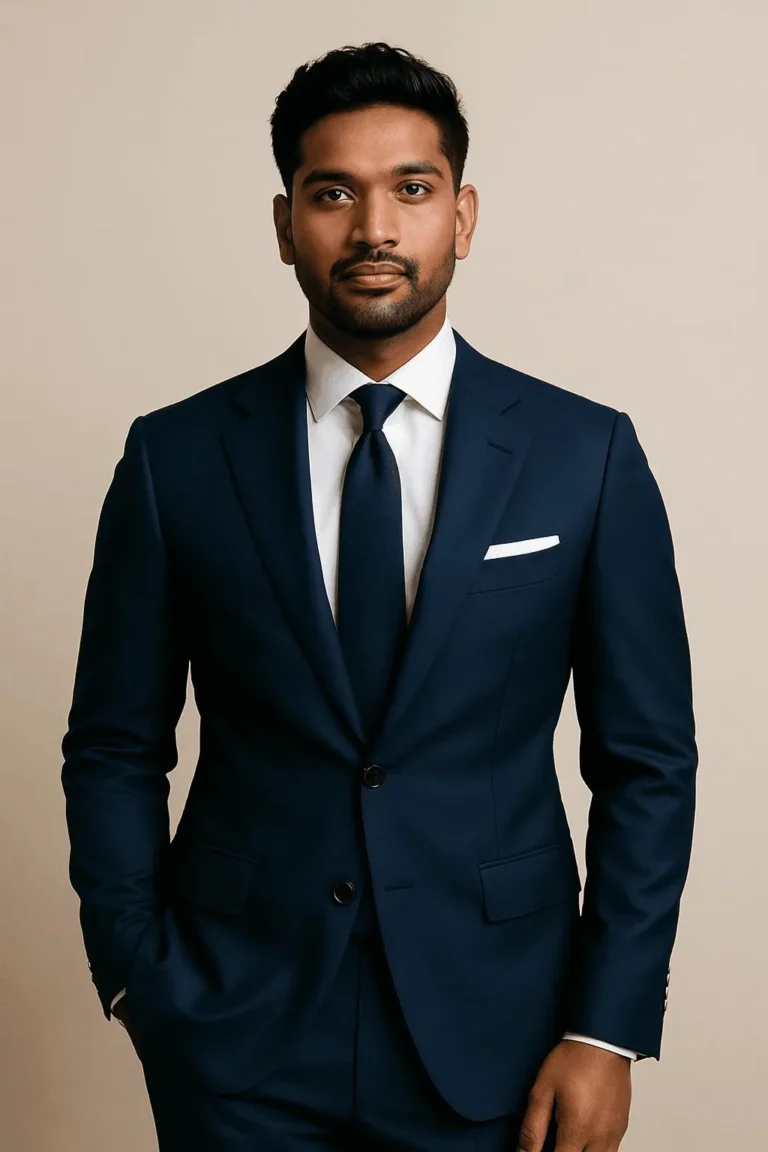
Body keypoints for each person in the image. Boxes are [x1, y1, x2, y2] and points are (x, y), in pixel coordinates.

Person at [61, 40, 697, 1152]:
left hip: (502, 1026)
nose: (374, 229)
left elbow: (647, 761)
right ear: (284, 225)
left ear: (464, 215)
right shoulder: (176, 457)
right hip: (235, 1036)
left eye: (412, 189)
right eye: (332, 194)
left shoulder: (584, 456)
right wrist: (135, 975)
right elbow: (115, 743)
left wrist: (607, 1027)